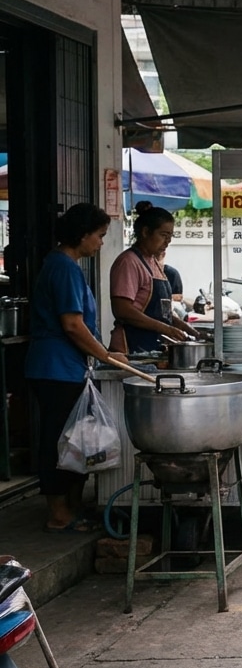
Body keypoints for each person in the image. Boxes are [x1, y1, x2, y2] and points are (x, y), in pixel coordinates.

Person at [26, 203, 128, 532]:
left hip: (67, 368)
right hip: (55, 369)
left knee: (77, 439)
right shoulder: (63, 267)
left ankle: (72, 506)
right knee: (61, 440)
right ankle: (59, 513)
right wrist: (104, 355)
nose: (101, 243)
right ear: (82, 235)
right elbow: (71, 324)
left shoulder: (66, 265)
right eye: (99, 236)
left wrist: (103, 354)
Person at [110, 202, 202, 353]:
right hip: (132, 348)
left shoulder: (153, 262)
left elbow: (163, 314)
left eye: (170, 236)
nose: (168, 241)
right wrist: (166, 329)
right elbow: (122, 310)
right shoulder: (129, 262)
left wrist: (191, 331)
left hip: (153, 346)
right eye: (164, 235)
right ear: (146, 232)